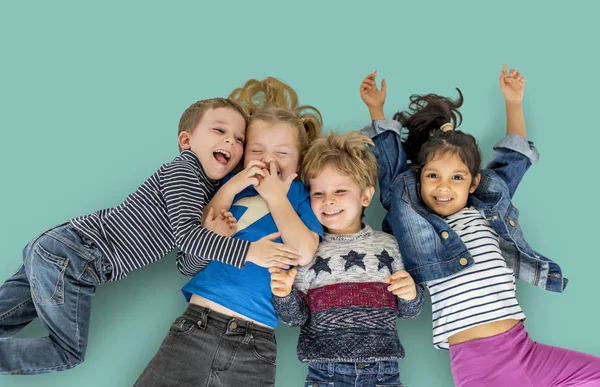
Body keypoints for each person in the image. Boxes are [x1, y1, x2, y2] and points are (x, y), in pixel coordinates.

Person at [0, 97, 301, 375]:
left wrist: (212, 233)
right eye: (219, 130)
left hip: (60, 251)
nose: (229, 141)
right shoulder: (185, 170)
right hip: (77, 255)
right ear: (186, 140)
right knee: (67, 351)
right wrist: (249, 252)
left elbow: (186, 264)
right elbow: (187, 238)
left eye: (239, 139)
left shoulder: (205, 192)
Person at [359, 65, 600, 386]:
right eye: (433, 177)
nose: (444, 187)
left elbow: (513, 159)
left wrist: (513, 103)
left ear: (473, 183)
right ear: (419, 178)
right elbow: (392, 174)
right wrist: (376, 109)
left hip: (525, 349)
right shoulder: (412, 212)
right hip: (478, 364)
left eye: (456, 178)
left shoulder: (488, 202)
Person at [134, 77, 323, 387]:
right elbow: (201, 228)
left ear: (300, 162)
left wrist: (277, 195)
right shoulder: (231, 187)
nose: (268, 160)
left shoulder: (301, 196)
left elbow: (303, 252)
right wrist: (235, 183)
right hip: (197, 323)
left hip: (256, 342)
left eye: (282, 153)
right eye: (257, 150)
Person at [271, 131, 424, 387]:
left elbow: (409, 312)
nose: (328, 200)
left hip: (383, 372)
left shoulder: (389, 246)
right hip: (325, 372)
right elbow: (294, 319)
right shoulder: (307, 250)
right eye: (317, 194)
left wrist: (411, 294)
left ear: (365, 196)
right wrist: (284, 295)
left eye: (340, 190)